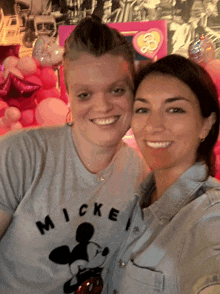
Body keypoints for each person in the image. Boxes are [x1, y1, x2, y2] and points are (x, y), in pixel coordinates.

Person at [0, 16, 148, 294]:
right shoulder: (20, 155)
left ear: (133, 92)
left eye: (116, 90)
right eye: (85, 94)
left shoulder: (141, 173)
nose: (102, 106)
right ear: (68, 95)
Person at [107, 54, 220, 294]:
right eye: (143, 109)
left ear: (206, 124)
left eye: (175, 109)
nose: (153, 125)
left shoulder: (209, 215)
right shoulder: (134, 203)